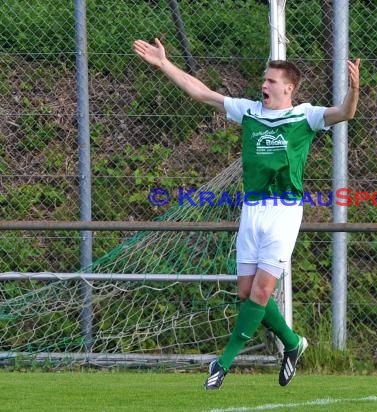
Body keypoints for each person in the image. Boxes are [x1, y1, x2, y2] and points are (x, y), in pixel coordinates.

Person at [133, 37, 360, 390]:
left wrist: (353, 90)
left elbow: (345, 113)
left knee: (260, 292)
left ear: (288, 88)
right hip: (251, 212)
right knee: (246, 294)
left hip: (284, 214)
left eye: (270, 81)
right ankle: (293, 342)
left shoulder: (306, 115)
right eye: (264, 79)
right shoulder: (250, 111)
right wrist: (165, 64)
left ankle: (222, 363)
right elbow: (203, 93)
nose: (263, 85)